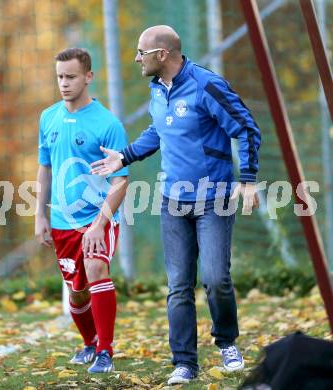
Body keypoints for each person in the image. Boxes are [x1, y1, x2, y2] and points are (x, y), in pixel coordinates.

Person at [91, 25, 261, 385]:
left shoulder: (206, 85)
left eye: (142, 52)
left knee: (216, 279)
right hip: (172, 202)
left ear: (162, 54)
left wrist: (247, 181)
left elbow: (245, 129)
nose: (137, 58)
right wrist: (124, 157)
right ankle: (184, 362)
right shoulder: (156, 89)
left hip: (213, 199)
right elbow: (159, 130)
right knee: (179, 286)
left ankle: (227, 341)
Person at [35, 48, 129, 374]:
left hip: (98, 218)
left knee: (95, 269)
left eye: (71, 76)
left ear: (88, 77)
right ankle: (90, 342)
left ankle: (105, 350)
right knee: (76, 293)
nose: (64, 83)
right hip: (62, 221)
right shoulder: (48, 118)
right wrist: (40, 215)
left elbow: (121, 181)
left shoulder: (108, 124)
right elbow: (45, 169)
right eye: (60, 77)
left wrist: (100, 223)